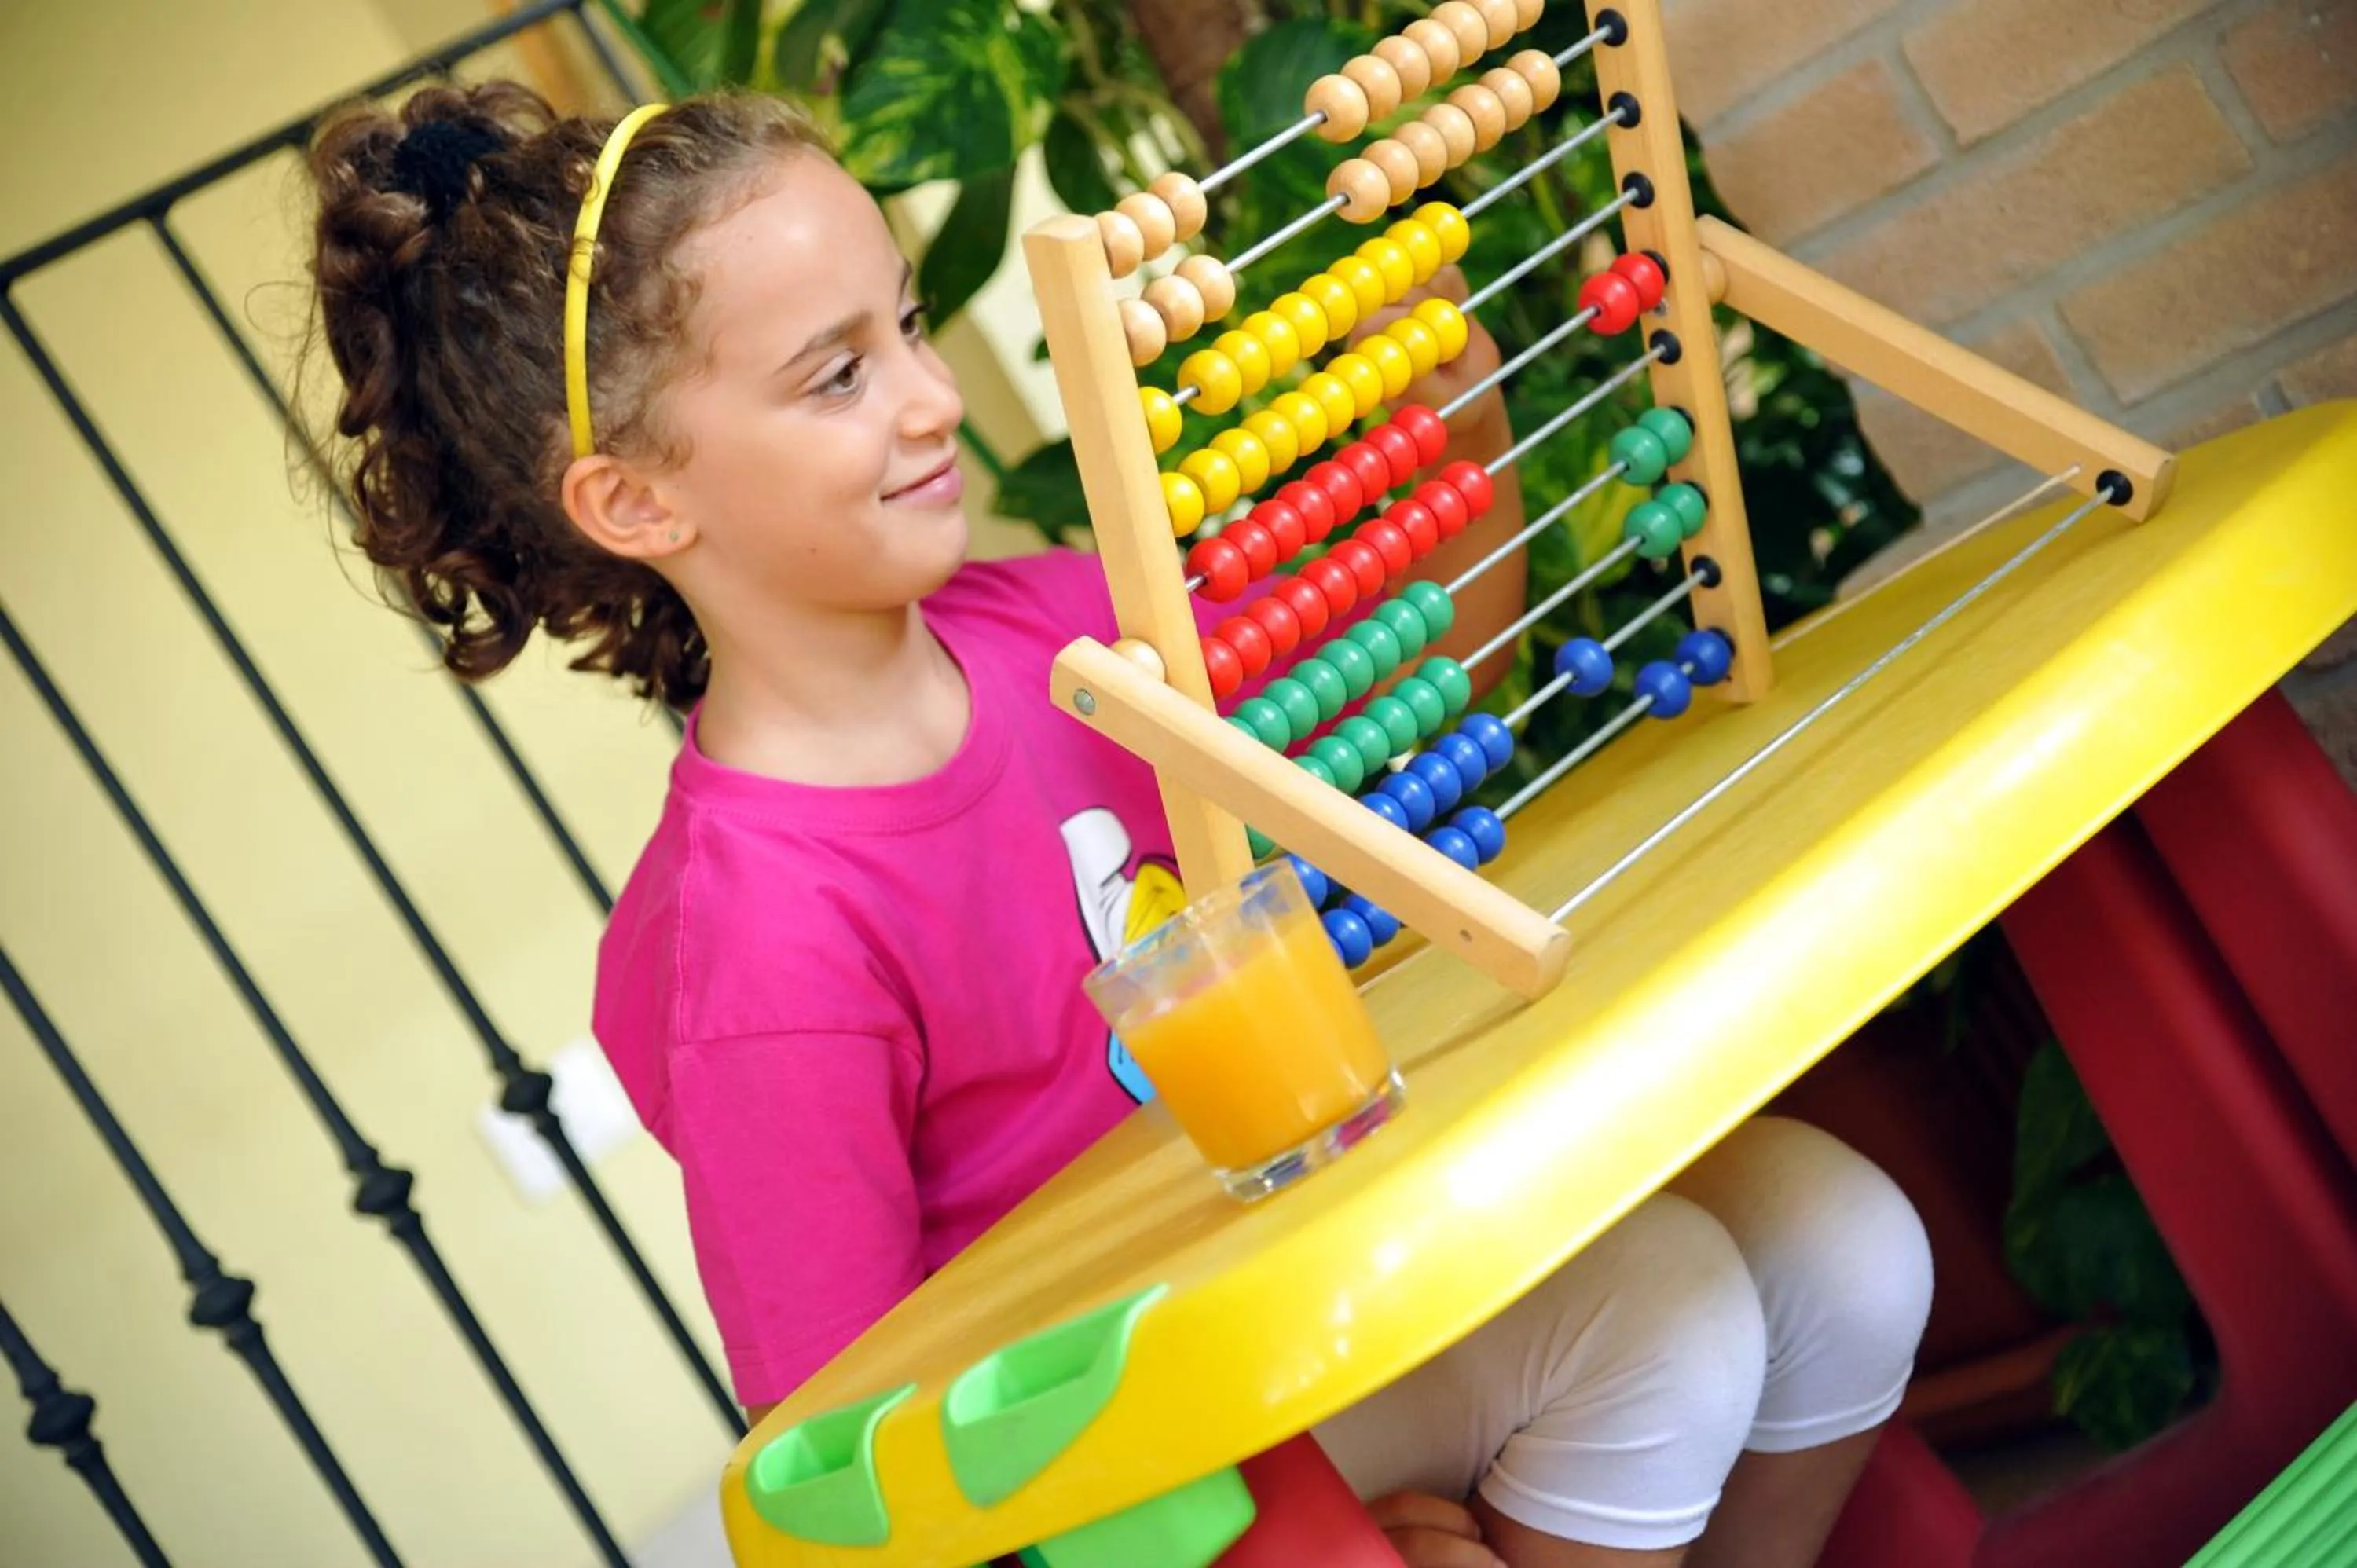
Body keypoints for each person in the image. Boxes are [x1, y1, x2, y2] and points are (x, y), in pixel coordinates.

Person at [305, 81, 1933, 1568]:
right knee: (1668, 1312)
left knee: (1846, 1242)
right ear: (641, 502)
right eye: (841, 374)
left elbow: (1396, 702)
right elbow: (846, 1444)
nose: (936, 399)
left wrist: (1464, 420)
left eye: (913, 326)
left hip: (1326, 1266)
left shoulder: (1064, 633)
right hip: (1138, 1456)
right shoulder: (765, 936)